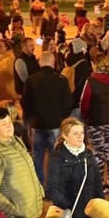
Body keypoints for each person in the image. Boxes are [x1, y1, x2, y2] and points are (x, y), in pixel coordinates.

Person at [44, 117, 104, 218]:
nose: (80, 136)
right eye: (75, 133)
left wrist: (101, 206)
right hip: (68, 213)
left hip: (88, 211)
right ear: (65, 136)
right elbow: (51, 189)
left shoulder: (88, 155)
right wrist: (68, 205)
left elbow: (97, 183)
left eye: (82, 132)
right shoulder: (56, 157)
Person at [21, 51, 74, 184]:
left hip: (37, 124)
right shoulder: (61, 80)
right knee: (54, 157)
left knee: (37, 156)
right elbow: (68, 102)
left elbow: (25, 101)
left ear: (40, 62)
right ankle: (53, 186)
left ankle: (40, 185)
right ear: (53, 63)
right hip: (55, 124)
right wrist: (62, 117)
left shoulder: (31, 80)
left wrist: (31, 116)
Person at [80, 57, 109, 194]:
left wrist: (86, 115)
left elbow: (84, 102)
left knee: (98, 152)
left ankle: (100, 184)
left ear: (95, 65)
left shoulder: (91, 81)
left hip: (96, 121)